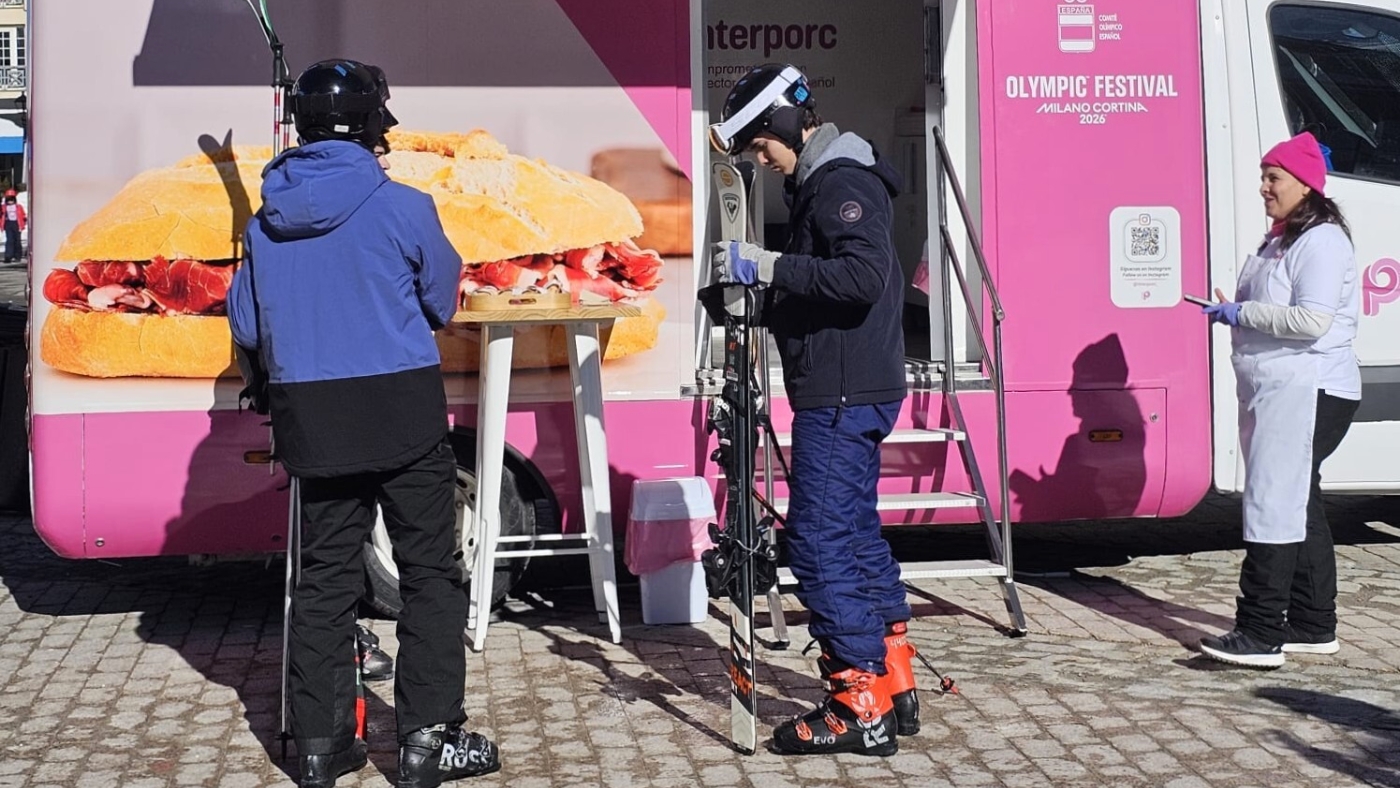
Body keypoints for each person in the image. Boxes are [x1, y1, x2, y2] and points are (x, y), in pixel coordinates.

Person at [228, 59, 500, 787]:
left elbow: (248, 324)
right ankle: (427, 740)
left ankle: (320, 746)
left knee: (322, 583)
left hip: (311, 419)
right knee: (430, 576)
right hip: (401, 410)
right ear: (376, 124)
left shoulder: (262, 225)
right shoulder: (404, 206)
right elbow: (441, 301)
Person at [707, 63, 916, 756]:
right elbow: (826, 288)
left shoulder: (840, 182)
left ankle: (858, 701)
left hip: (844, 391)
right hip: (852, 383)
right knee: (853, 531)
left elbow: (860, 278)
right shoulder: (825, 182)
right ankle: (894, 677)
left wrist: (764, 266)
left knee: (817, 541)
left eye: (761, 145)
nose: (759, 160)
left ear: (785, 125)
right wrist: (759, 301)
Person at [1198, 131, 1361, 669]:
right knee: (1299, 500)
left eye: (1274, 178)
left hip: (1309, 388)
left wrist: (1242, 315)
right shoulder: (1284, 238)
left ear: (1306, 186)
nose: (1264, 187)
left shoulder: (1323, 241)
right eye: (1264, 177)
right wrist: (1237, 306)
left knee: (1274, 503)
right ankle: (1313, 623)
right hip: (1283, 387)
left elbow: (1312, 321)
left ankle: (1260, 631)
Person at [2, 189, 25, 263]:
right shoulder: (3, 207)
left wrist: (22, 224)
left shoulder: (18, 207)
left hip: (17, 224)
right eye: (8, 200)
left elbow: (23, 215)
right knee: (9, 240)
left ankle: (17, 256)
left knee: (17, 241)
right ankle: (8, 256)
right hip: (8, 224)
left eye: (12, 200)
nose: (10, 202)